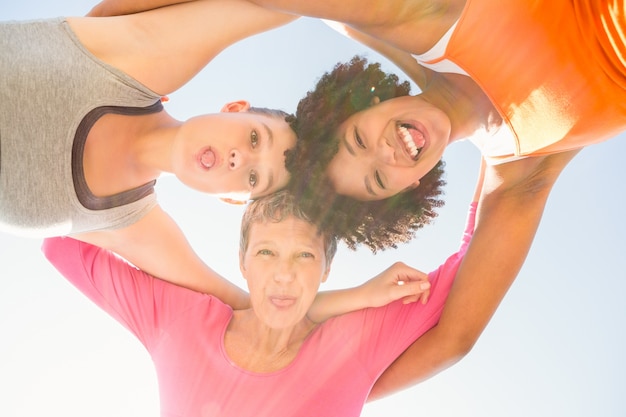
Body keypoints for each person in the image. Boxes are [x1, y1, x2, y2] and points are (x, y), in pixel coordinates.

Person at [42, 184, 479, 416]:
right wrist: (228, 297)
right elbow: (60, 241)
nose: (284, 274)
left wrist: (493, 132)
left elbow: (474, 262)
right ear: (243, 260)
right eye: (266, 252)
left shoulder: (350, 347)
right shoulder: (180, 319)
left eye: (305, 255)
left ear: (325, 268)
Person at [0, 0, 300, 309]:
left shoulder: (130, 226)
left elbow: (255, 313)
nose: (240, 160)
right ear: (235, 109)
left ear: (232, 199)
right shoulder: (139, 60)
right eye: (254, 138)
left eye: (253, 178)